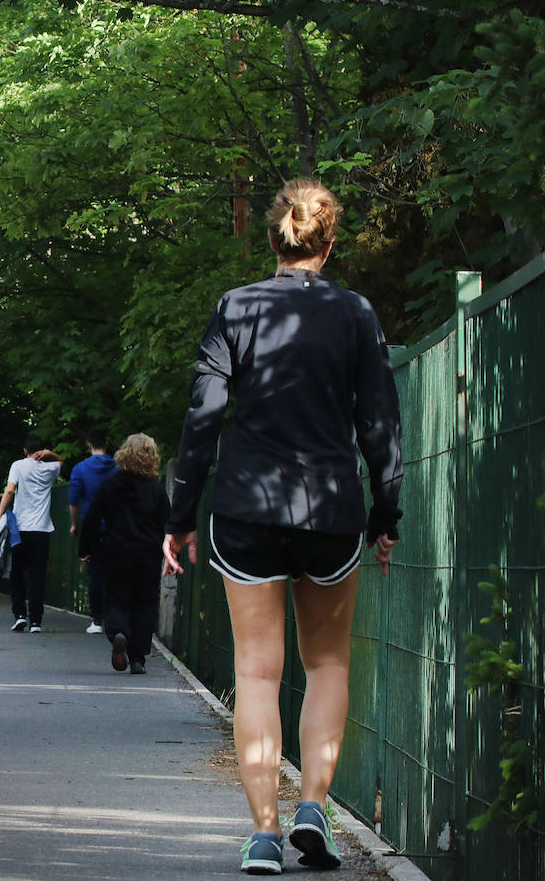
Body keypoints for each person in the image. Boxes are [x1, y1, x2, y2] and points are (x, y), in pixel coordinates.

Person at [162, 179, 402, 875]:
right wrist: (386, 514)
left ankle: (264, 834)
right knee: (327, 663)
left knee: (257, 674)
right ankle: (313, 810)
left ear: (273, 240)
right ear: (329, 243)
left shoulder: (235, 308)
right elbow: (380, 423)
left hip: (245, 509)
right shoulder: (355, 313)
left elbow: (202, 420)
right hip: (330, 513)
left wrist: (180, 518)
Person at [78, 433, 169, 674]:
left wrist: (85, 548)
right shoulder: (156, 490)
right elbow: (165, 523)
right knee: (143, 604)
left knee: (116, 599)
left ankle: (119, 633)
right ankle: (138, 659)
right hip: (148, 554)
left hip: (115, 551)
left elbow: (93, 518)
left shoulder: (111, 485)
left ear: (124, 454)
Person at [0, 435, 63, 633]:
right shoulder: (50, 468)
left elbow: (10, 491)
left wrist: (0, 512)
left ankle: (19, 615)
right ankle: (36, 621)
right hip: (42, 530)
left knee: (16, 573)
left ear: (25, 450)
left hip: (21, 530)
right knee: (37, 575)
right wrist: (50, 453)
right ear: (41, 451)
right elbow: (61, 462)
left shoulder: (17, 466)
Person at [67, 429, 117, 634]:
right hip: (117, 527)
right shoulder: (119, 467)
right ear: (106, 443)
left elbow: (73, 500)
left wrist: (74, 523)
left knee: (95, 573)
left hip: (93, 527)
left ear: (89, 445)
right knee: (115, 573)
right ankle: (116, 617)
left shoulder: (80, 469)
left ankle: (97, 620)